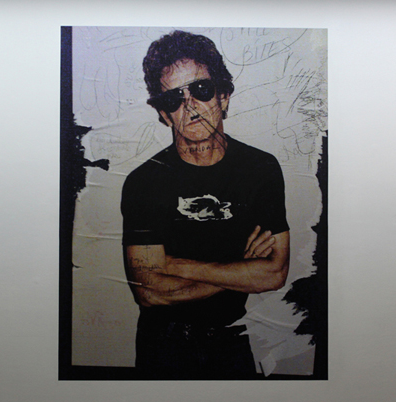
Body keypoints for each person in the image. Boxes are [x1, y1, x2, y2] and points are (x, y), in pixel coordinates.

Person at [121, 30, 290, 380]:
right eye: (174, 98)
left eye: (200, 89)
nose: (190, 106)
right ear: (165, 114)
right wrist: (243, 270)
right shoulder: (144, 182)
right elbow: (148, 292)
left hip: (232, 340)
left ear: (223, 96)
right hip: (163, 345)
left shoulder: (260, 170)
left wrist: (175, 265)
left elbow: (274, 274)